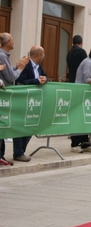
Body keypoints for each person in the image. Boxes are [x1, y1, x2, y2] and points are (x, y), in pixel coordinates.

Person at [13, 45, 48, 162]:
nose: (43, 57)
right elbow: (20, 81)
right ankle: (18, 152)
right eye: (43, 55)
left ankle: (21, 151)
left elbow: (45, 76)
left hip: (35, 101)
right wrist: (36, 81)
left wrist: (45, 79)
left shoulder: (38, 67)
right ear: (38, 55)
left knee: (31, 125)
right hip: (23, 100)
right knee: (20, 125)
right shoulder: (25, 65)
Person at [0, 32, 29, 166]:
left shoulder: (4, 56)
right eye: (11, 39)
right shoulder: (2, 55)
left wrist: (16, 68)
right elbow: (11, 78)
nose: (14, 41)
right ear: (6, 43)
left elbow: (8, 73)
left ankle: (1, 155)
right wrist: (21, 68)